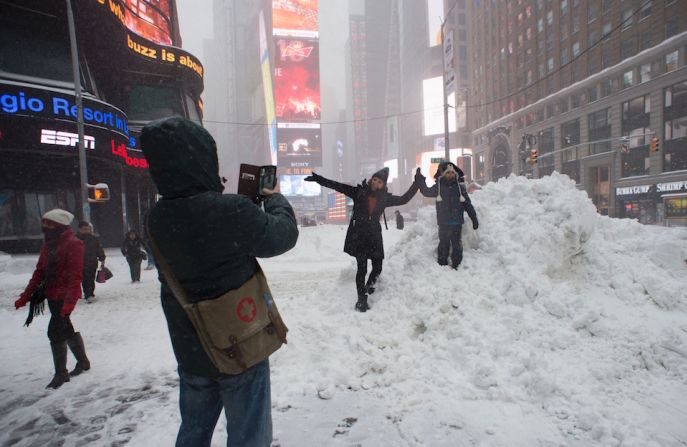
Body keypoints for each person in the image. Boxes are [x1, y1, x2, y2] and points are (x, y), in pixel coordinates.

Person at [141, 116, 298, 447]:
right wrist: (274, 199)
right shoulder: (231, 211)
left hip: (191, 347)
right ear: (201, 159)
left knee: (194, 432)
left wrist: (218, 196)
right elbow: (282, 236)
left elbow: (198, 238)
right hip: (237, 343)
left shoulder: (156, 219)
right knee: (248, 436)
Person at [304, 168, 418, 312]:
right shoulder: (359, 192)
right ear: (371, 180)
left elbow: (404, 199)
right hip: (359, 236)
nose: (376, 183)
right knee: (362, 269)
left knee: (378, 267)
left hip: (375, 237)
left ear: (383, 185)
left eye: (380, 181)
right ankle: (361, 299)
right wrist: (319, 179)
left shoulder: (385, 198)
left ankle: (369, 287)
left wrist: (417, 184)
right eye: (375, 179)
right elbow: (337, 186)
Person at [14, 209, 91, 389]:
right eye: (44, 223)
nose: (44, 226)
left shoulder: (74, 244)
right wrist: (26, 296)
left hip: (65, 297)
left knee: (54, 331)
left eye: (48, 223)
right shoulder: (48, 244)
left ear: (58, 225)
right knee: (65, 328)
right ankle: (83, 362)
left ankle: (61, 373)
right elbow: (39, 272)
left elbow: (75, 275)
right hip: (52, 295)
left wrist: (69, 303)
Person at [415, 162, 478, 269]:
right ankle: (442, 265)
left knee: (457, 245)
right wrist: (419, 179)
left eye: (452, 173)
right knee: (443, 244)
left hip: (457, 223)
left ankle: (456, 265)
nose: (450, 175)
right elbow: (425, 191)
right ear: (444, 174)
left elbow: (467, 204)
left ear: (455, 174)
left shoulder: (460, 188)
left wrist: (474, 218)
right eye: (447, 173)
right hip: (443, 223)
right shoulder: (439, 187)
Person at [76, 221, 106, 302]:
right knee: (84, 279)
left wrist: (102, 257)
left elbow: (99, 249)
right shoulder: (75, 239)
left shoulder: (94, 239)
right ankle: (88, 294)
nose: (86, 231)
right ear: (79, 229)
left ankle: (90, 293)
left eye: (88, 229)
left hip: (92, 263)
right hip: (79, 263)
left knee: (91, 278)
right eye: (84, 229)